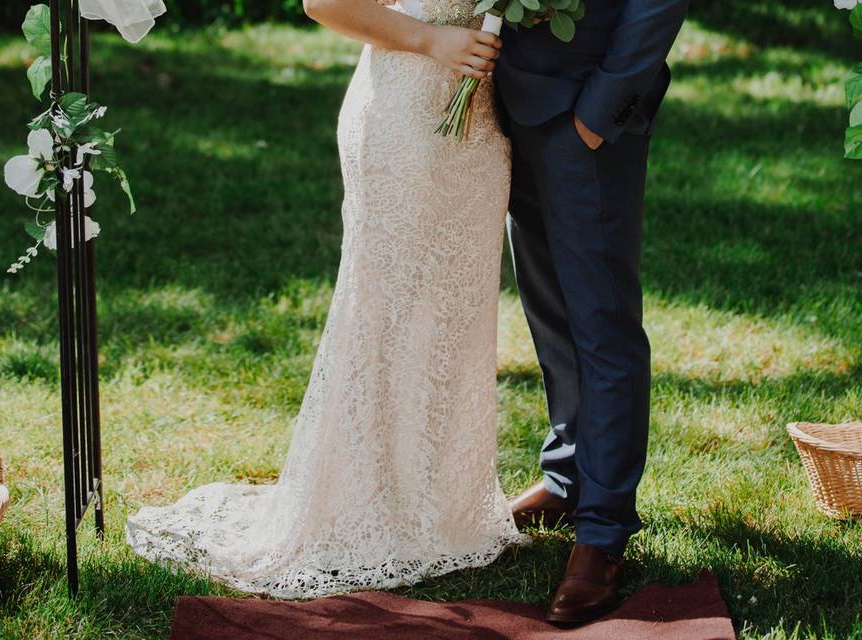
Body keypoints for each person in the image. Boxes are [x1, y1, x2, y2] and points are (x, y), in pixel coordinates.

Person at [126, 0, 526, 599]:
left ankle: (437, 505)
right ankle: (361, 504)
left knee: (450, 318)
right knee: (385, 315)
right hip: (407, 113)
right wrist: (428, 40)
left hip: (482, 121)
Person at [497, 0, 689, 625]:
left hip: (586, 105)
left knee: (601, 323)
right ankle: (565, 478)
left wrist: (602, 109)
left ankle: (603, 530)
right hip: (505, 96)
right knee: (549, 308)